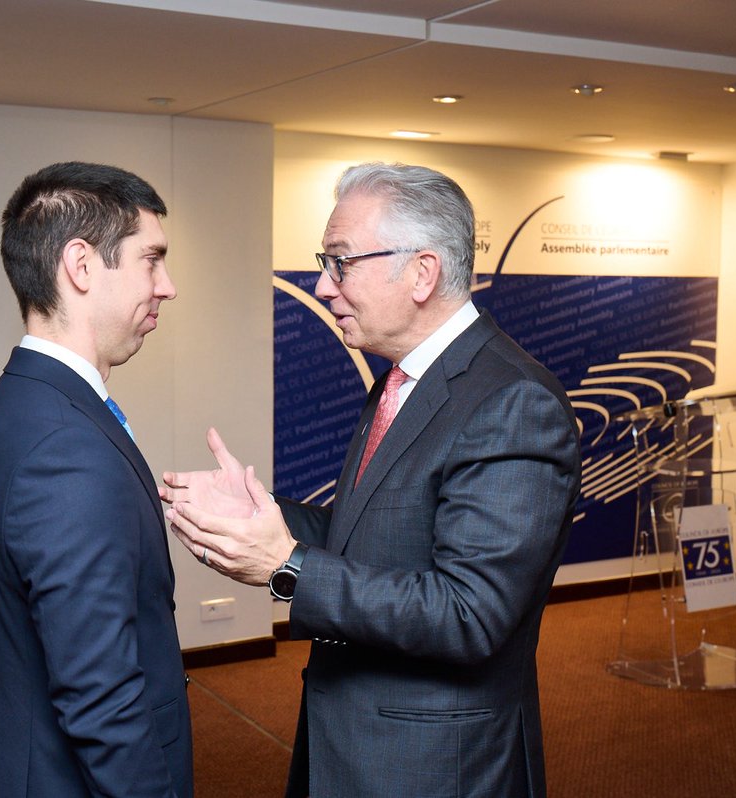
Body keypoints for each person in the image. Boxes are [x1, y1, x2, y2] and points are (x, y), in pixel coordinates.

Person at [162, 162, 580, 797]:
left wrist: (287, 567)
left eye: (341, 262)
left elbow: (470, 614)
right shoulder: (401, 380)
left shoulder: (515, 402)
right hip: (354, 743)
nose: (324, 286)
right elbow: (375, 539)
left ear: (422, 271)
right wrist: (266, 518)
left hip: (436, 765)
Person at [0, 161, 192, 797]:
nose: (167, 286)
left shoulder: (17, 405)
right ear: (81, 265)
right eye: (152, 259)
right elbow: (100, 697)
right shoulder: (65, 446)